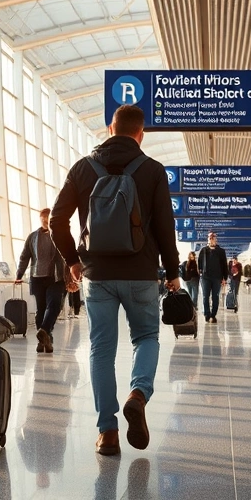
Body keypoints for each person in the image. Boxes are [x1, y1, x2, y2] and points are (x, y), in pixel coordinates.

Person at [50, 104, 180, 456]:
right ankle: (138, 394)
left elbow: (56, 221)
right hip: (140, 274)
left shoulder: (82, 168)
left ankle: (107, 432)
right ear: (141, 133)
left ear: (111, 128)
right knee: (147, 337)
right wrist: (173, 272)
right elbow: (166, 227)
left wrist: (73, 262)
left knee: (101, 350)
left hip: (98, 275)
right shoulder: (152, 170)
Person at [16, 208, 70, 354]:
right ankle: (44, 341)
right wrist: (19, 274)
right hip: (37, 277)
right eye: (43, 218)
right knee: (41, 309)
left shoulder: (60, 234)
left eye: (48, 217)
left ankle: (44, 330)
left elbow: (70, 253)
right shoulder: (33, 237)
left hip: (56, 277)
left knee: (54, 306)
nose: (46, 220)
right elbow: (24, 256)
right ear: (40, 219)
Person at [197, 232, 228, 324]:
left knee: (215, 296)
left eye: (213, 237)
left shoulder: (221, 251)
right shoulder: (203, 250)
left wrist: (224, 278)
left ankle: (213, 315)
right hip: (206, 277)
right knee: (205, 296)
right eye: (209, 237)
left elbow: (224, 265)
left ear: (216, 239)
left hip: (217, 277)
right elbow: (199, 262)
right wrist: (200, 271)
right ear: (208, 239)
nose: (211, 239)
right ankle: (207, 314)